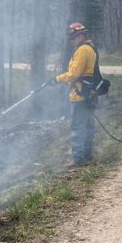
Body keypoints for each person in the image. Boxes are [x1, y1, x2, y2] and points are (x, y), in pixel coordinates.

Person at [50, 22, 98, 166]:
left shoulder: (82, 50)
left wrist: (58, 79)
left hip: (79, 94)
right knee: (88, 125)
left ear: (81, 35)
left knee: (78, 127)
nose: (71, 41)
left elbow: (74, 74)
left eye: (73, 37)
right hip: (88, 93)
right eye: (70, 38)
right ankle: (87, 155)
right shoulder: (90, 48)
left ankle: (78, 159)